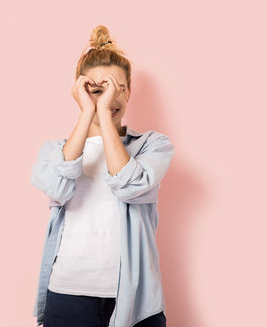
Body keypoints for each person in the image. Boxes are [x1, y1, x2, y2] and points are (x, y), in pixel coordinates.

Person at [31, 24, 175, 327]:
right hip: (67, 295)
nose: (107, 97)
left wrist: (105, 112)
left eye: (117, 88)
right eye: (97, 89)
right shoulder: (55, 150)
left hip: (136, 300)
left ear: (129, 92)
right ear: (80, 92)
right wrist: (87, 113)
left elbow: (130, 185)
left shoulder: (152, 145)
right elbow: (57, 186)